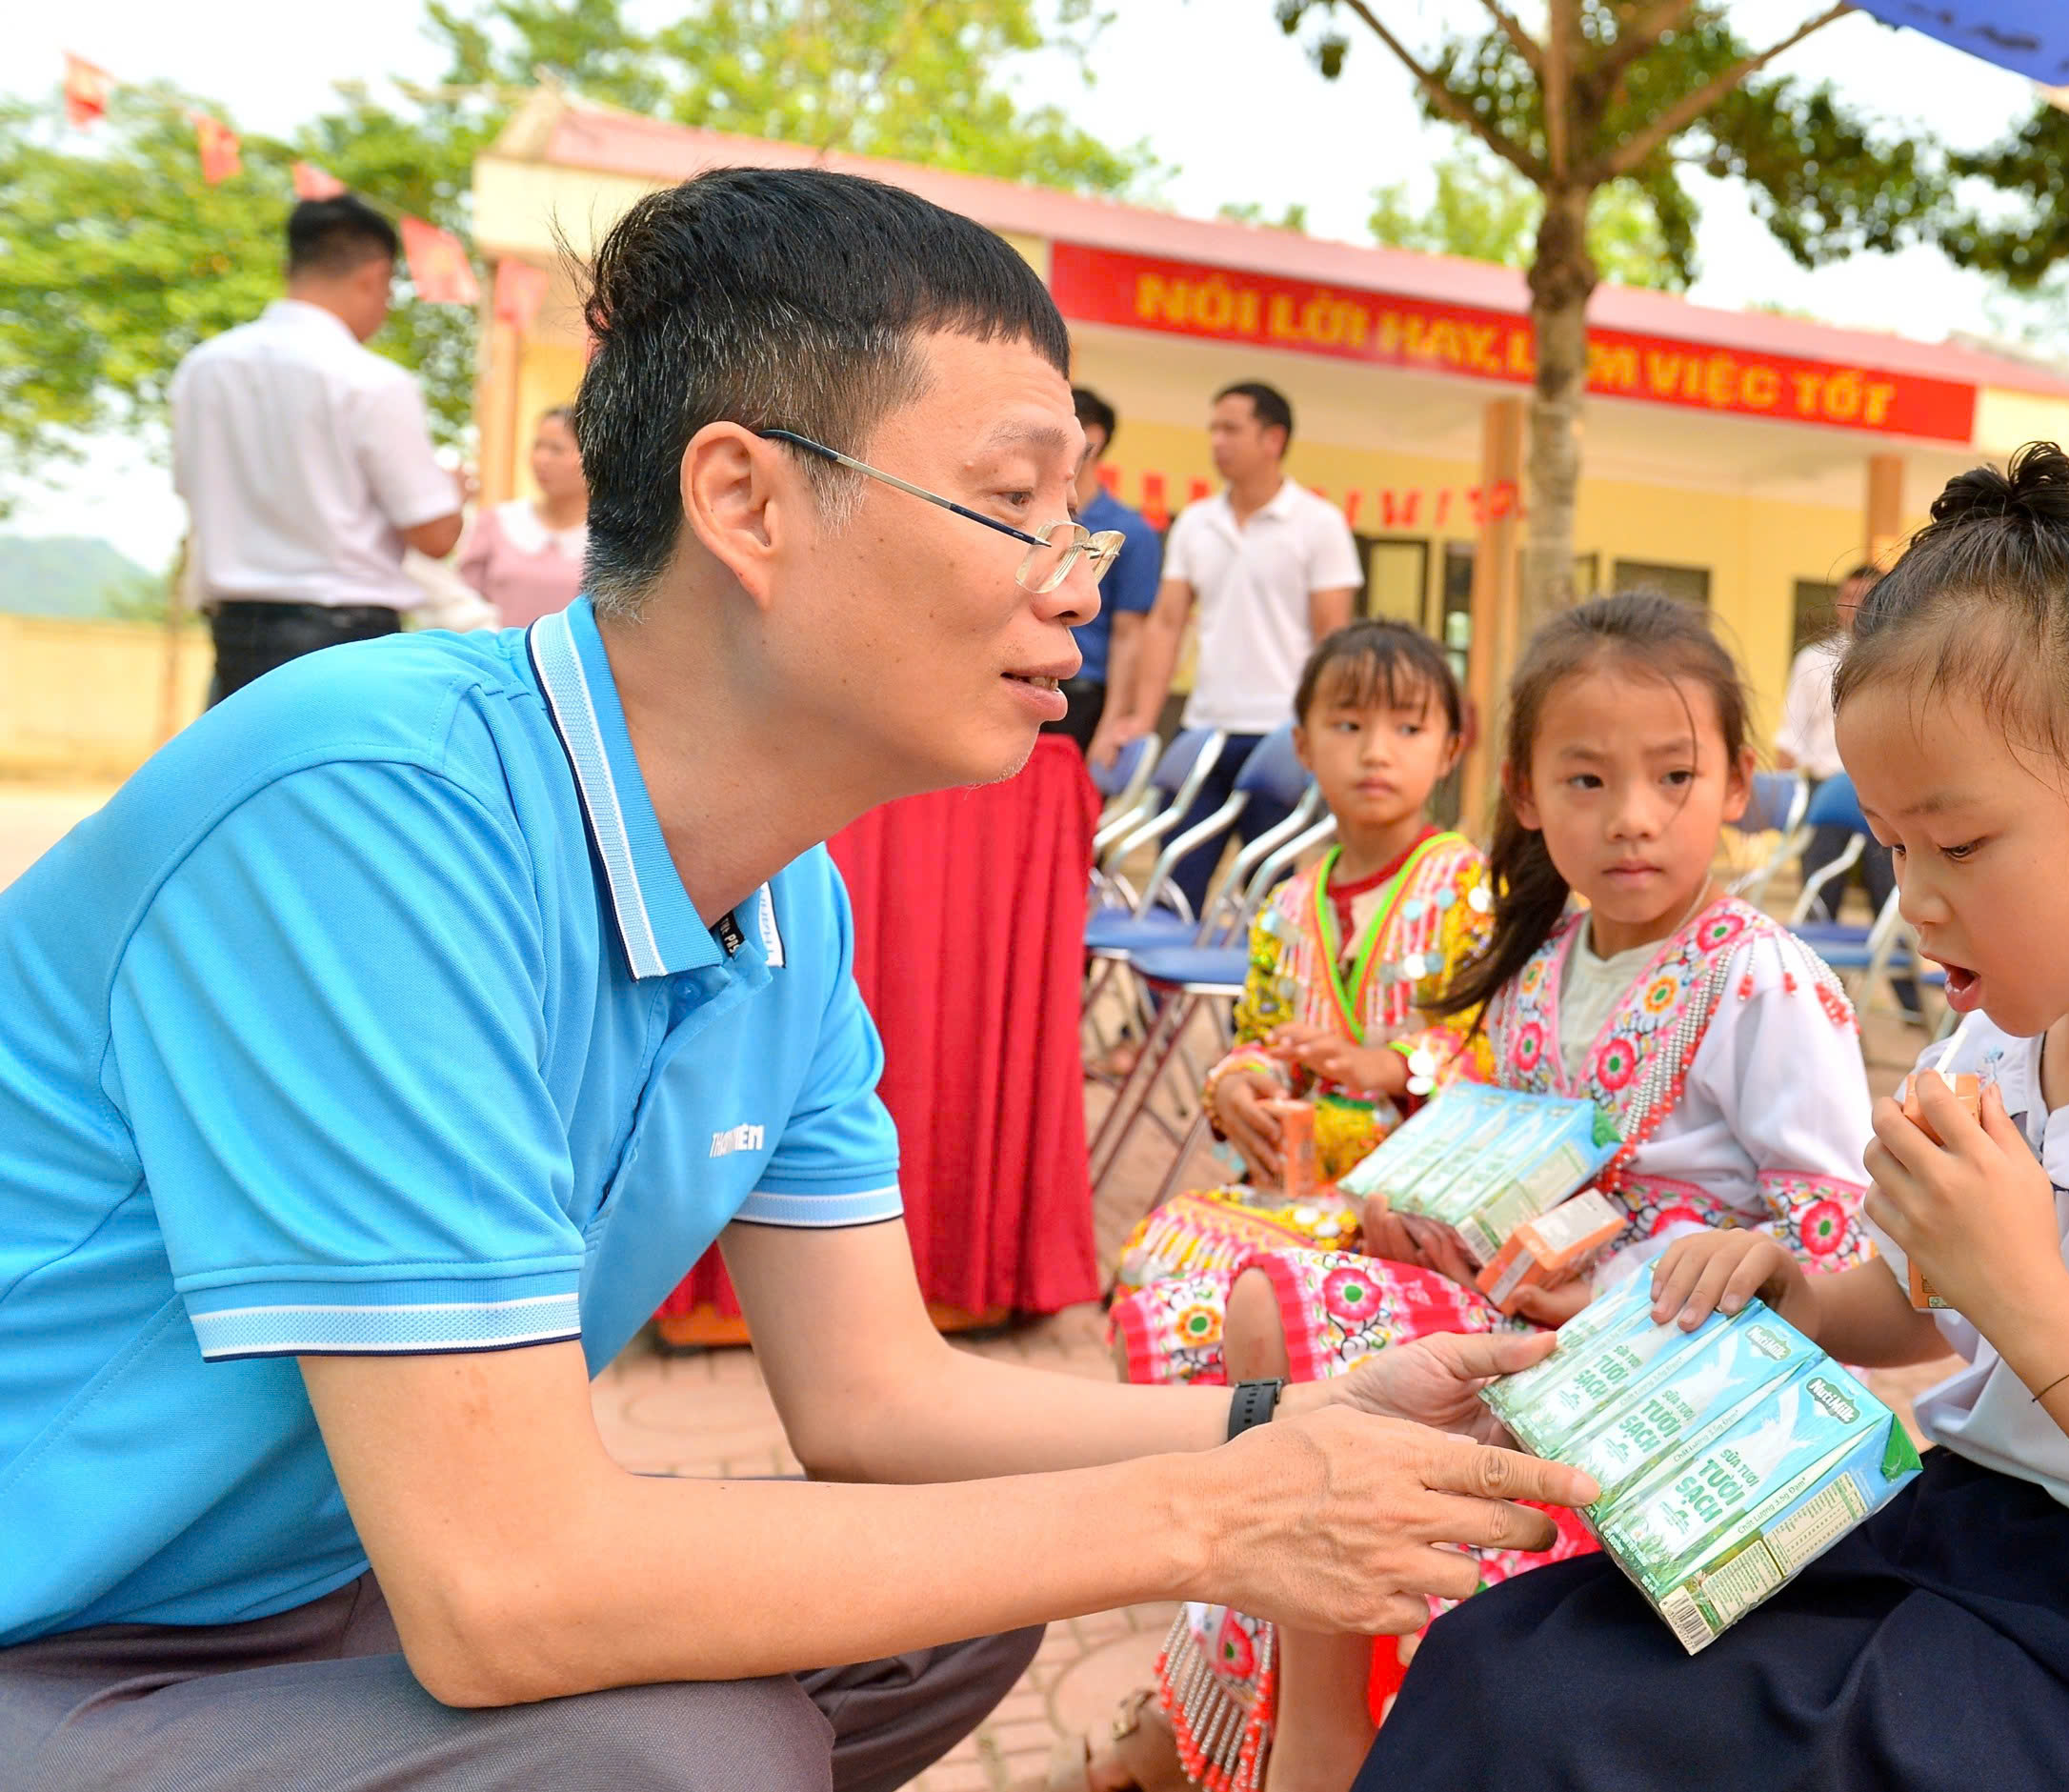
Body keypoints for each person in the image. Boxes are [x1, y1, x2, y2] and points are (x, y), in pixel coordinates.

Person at [0, 167, 1597, 1792]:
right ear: (748, 503)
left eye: (1082, 515)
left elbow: (877, 1401)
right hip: (70, 1631)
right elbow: (503, 1588)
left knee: (958, 1591)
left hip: (336, 1583)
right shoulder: (365, 815)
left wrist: (1306, 1424)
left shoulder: (789, 906)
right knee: (686, 1750)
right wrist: (1216, 1517)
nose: (1082, 577)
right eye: (1016, 502)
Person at [1356, 446, 2069, 1792]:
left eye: (1962, 845)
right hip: (1982, 1550)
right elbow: (1930, 1298)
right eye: (1892, 844)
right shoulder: (2016, 1028)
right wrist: (1800, 1295)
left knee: (1585, 1735)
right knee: (1503, 1669)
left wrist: (2026, 1293)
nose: (1915, 901)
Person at [1081, 594, 1875, 1792]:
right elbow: (1491, 1145)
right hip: (1511, 1325)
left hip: (1658, 1362)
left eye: (1672, 776)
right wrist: (1424, 1206)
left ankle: (1305, 1742)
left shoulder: (1765, 983)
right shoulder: (1542, 962)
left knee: (1283, 1326)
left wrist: (1715, 1267)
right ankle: (1291, 1726)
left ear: (1735, 785)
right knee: (1270, 1310)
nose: (1632, 820)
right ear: (1523, 794)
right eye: (1587, 783)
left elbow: (1831, 1228)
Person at [1107, 619, 1489, 1387]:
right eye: (1348, 726)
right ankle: (1212, 1456)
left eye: (1408, 728)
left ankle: (1282, 1448)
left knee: (1265, 1290)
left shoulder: (1468, 889)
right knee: (1159, 1250)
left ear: (1450, 748)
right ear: (1305, 746)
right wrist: (1239, 1085)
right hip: (1295, 1182)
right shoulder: (1289, 902)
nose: (1376, 751)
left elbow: (1495, 1041)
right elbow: (1257, 1033)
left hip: (1409, 1202)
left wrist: (1388, 1065)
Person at [171, 195, 468, 702]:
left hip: (235, 636)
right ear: (374, 275)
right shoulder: (371, 381)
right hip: (342, 643)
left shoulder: (203, 368)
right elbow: (435, 535)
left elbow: (189, 488)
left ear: (291, 267)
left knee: (249, 775)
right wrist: (452, 492)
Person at [1109, 382, 1361, 914]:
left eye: (1230, 429)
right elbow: (1166, 624)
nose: (1216, 441)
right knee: (1172, 890)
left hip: (1281, 739)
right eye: (1213, 429)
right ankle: (1165, 1001)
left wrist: (1327, 734)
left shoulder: (1320, 525)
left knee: (1266, 906)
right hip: (1203, 732)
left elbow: (1332, 642)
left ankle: (1257, 1000)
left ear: (1273, 439)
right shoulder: (1196, 523)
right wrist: (1142, 719)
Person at [1778, 564, 1917, 1014]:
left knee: (1892, 896)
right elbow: (1788, 736)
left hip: (1883, 795)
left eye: (1867, 596)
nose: (1856, 606)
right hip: (1827, 791)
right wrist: (1787, 806)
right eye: (1849, 596)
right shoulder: (1813, 661)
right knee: (1821, 896)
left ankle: (1911, 999)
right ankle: (1823, 1001)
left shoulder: (1898, 664)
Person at [1057, 387, 1162, 755]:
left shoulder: (1130, 533)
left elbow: (1129, 637)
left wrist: (1111, 724)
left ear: (1094, 439)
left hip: (1080, 697)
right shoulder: (1031, 514)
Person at [456, 405, 590, 628]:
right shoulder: (496, 522)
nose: (541, 459)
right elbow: (460, 599)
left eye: (557, 449)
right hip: (493, 658)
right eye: (538, 446)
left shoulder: (609, 536)